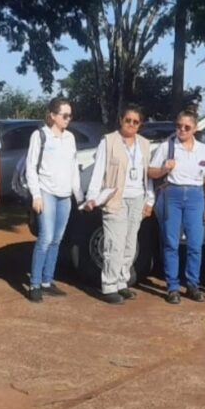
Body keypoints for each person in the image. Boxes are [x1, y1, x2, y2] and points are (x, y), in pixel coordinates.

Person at [85, 104, 154, 305]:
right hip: (115, 198)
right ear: (121, 120)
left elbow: (147, 174)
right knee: (114, 244)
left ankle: (122, 282)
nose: (131, 124)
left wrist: (150, 199)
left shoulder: (144, 144)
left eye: (136, 121)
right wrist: (92, 195)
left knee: (130, 244)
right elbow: (99, 171)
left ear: (140, 124)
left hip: (137, 198)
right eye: (128, 120)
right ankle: (109, 285)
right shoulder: (109, 142)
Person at [148, 109, 205, 304]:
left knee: (195, 244)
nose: (182, 130)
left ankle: (193, 284)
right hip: (172, 194)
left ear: (195, 128)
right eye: (179, 126)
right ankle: (172, 286)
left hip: (196, 196)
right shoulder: (167, 147)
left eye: (187, 127)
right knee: (171, 243)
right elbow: (151, 172)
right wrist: (163, 169)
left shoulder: (202, 149)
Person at [25, 98, 83, 303]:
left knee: (57, 239)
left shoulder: (70, 138)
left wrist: (79, 196)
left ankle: (48, 281)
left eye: (70, 115)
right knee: (46, 238)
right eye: (64, 115)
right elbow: (31, 167)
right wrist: (37, 195)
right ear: (52, 115)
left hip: (65, 196)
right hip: (47, 193)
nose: (68, 119)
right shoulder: (40, 135)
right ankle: (35, 283)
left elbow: (73, 167)